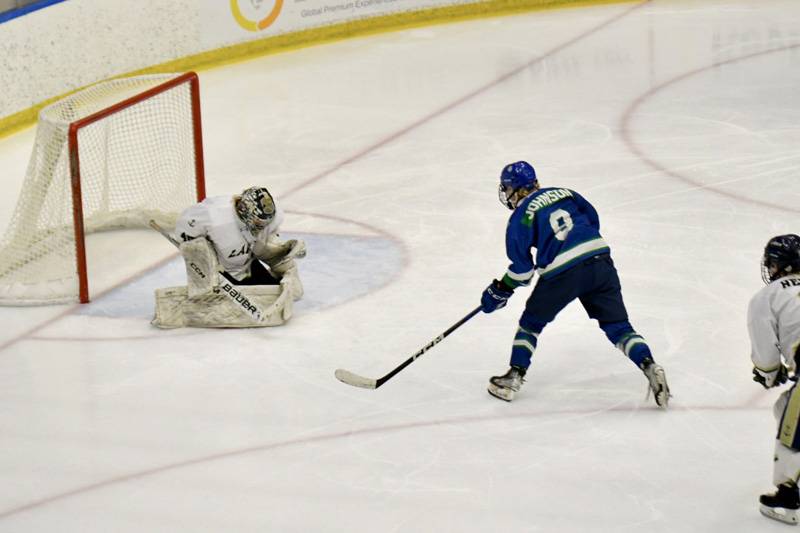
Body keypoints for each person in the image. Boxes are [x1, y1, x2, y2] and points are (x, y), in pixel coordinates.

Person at [479, 161, 669, 407]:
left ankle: (514, 377)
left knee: (530, 324)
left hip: (563, 273)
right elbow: (592, 218)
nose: (506, 194)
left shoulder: (520, 217)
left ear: (515, 188)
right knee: (618, 326)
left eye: (506, 188)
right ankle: (649, 364)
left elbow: (523, 271)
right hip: (600, 260)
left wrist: (500, 288)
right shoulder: (565, 192)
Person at [749, 234, 800, 525]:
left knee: (790, 428)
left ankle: (788, 496)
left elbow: (765, 352)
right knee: (785, 406)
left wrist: (768, 373)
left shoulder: (767, 296)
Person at [173, 185, 304, 290]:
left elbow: (265, 243)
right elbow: (184, 231)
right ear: (243, 210)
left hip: (247, 263)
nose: (261, 227)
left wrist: (280, 251)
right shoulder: (214, 215)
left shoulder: (272, 215)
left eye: (264, 224)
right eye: (258, 223)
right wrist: (205, 260)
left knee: (283, 293)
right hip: (224, 272)